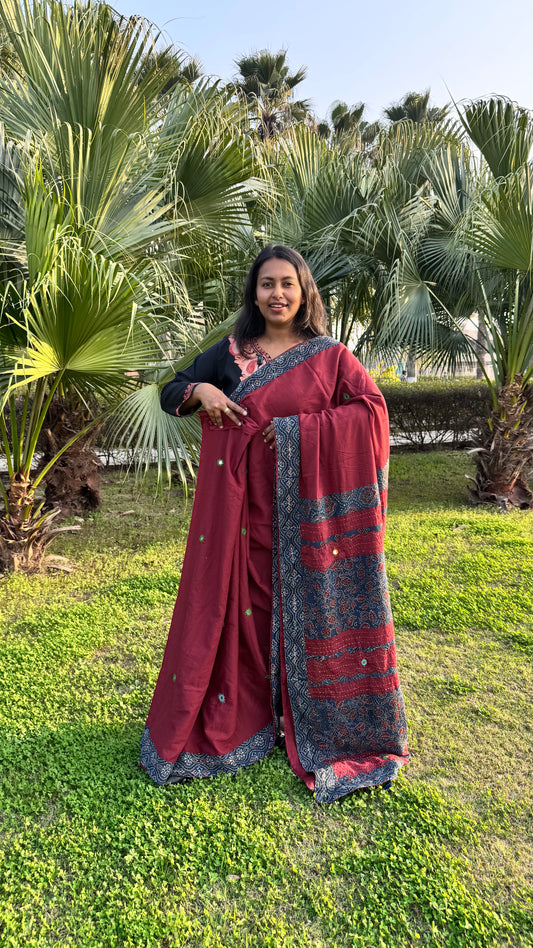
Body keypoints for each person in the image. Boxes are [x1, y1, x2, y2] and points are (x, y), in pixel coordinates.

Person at [140, 245, 408, 803]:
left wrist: (298, 432)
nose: (278, 294)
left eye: (288, 283)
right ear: (253, 293)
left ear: (305, 292)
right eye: (267, 284)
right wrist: (202, 391)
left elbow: (370, 413)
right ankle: (251, 715)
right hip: (241, 514)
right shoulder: (232, 353)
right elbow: (170, 391)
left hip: (310, 521)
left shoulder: (330, 356)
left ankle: (316, 721)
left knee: (303, 609)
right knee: (246, 610)